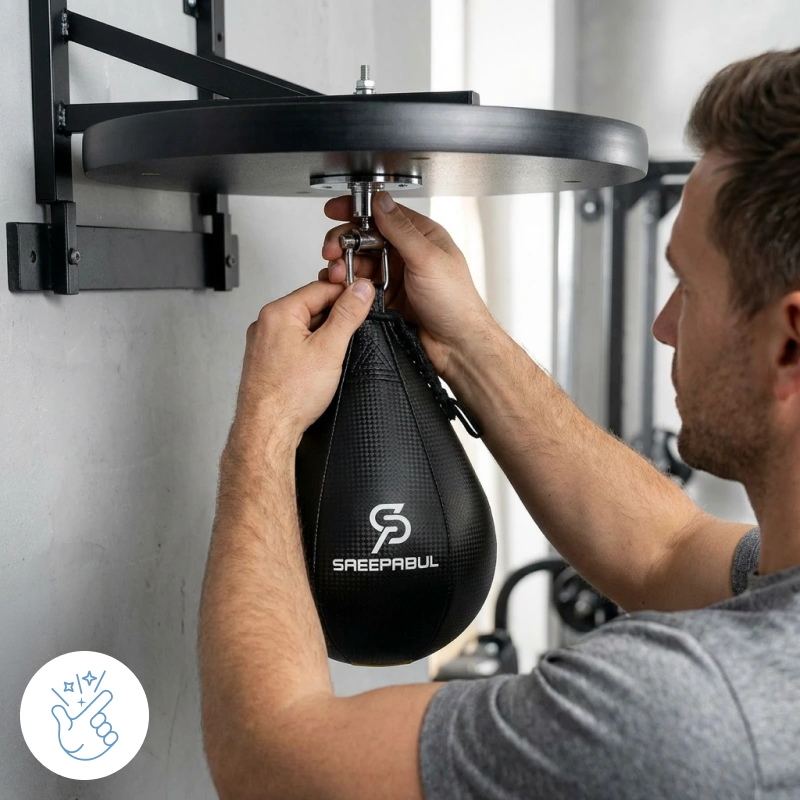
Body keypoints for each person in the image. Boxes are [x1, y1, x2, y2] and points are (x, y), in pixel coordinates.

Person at [197, 48, 800, 799]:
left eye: (688, 286)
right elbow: (663, 552)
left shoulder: (687, 711)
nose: (664, 325)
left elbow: (269, 761)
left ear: (790, 341)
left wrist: (267, 423)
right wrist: (465, 345)